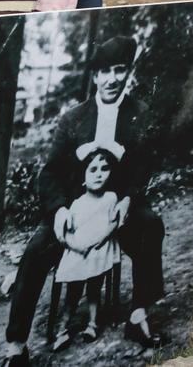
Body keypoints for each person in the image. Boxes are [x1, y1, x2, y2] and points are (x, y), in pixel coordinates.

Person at [2, 36, 166, 365]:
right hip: (75, 210)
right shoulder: (73, 118)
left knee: (151, 225)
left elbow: (144, 165)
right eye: (105, 71)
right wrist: (60, 209)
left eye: (120, 70)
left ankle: (138, 316)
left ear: (128, 72)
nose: (112, 79)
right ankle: (16, 345)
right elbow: (48, 173)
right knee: (36, 251)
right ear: (95, 76)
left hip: (117, 209)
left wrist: (129, 198)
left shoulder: (140, 114)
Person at [50, 146, 124, 351]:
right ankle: (62, 331)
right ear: (82, 177)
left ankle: (92, 324)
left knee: (94, 288)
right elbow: (66, 236)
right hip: (79, 253)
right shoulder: (76, 205)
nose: (99, 173)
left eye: (104, 168)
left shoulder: (110, 198)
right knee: (72, 294)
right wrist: (79, 248)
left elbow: (113, 223)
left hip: (100, 250)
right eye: (93, 169)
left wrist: (102, 238)